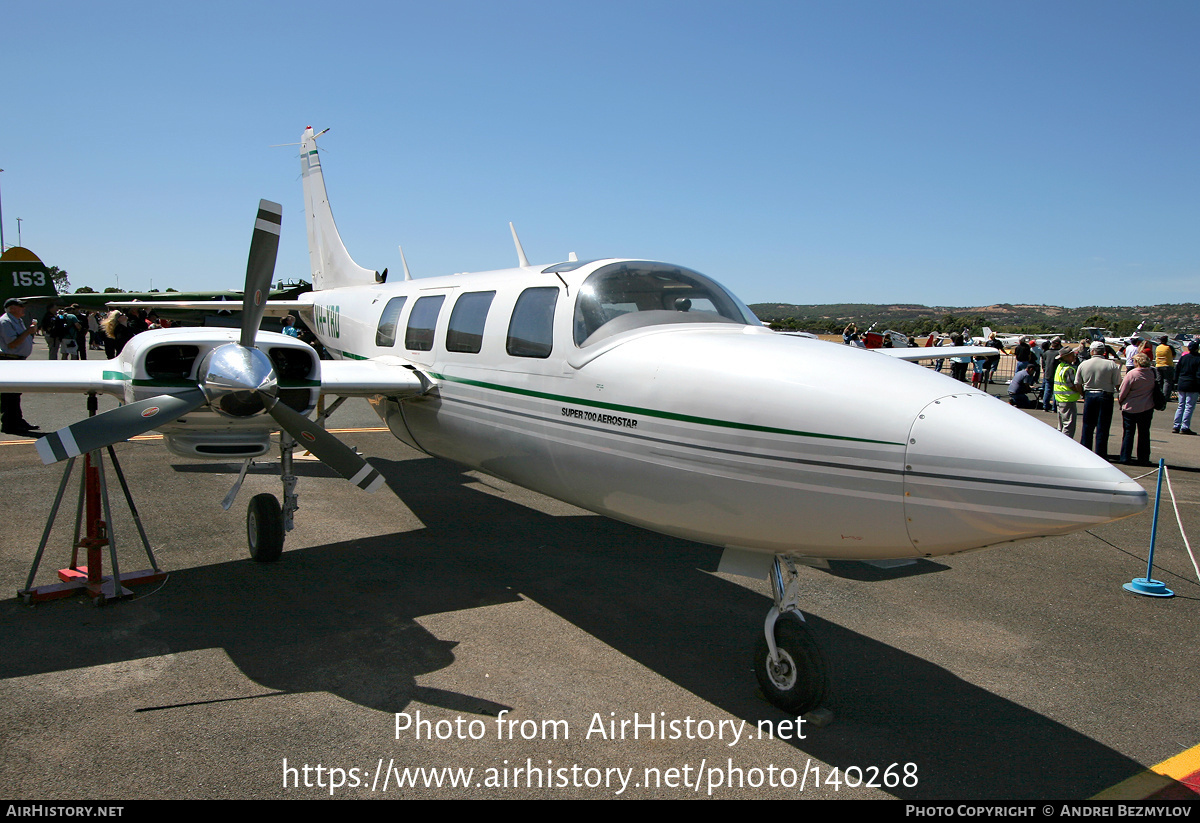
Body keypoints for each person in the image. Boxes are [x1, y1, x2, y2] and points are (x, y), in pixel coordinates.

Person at [0, 298, 44, 436]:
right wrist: (28, 332)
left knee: (16, 392)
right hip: (9, 359)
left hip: (16, 360)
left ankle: (17, 421)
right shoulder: (5, 322)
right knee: (9, 394)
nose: (23, 309)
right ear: (11, 308)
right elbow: (12, 344)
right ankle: (9, 424)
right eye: (20, 306)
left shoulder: (16, 320)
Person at [1077, 341, 1122, 459]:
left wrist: (1083, 394)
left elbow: (1078, 383)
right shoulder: (1111, 365)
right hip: (1105, 395)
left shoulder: (1084, 364)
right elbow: (1117, 384)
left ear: (1091, 351)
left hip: (1089, 394)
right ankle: (1101, 453)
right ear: (1104, 351)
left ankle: (1085, 451)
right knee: (1103, 426)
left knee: (1087, 426)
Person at [1117, 353, 1156, 465]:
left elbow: (1123, 392)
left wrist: (1121, 401)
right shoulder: (1151, 373)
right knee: (1144, 433)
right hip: (1147, 406)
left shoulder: (1132, 374)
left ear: (1137, 362)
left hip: (1131, 407)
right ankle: (1143, 458)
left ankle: (1125, 456)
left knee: (1128, 433)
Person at [1053, 347, 1082, 438]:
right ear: (1067, 356)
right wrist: (1081, 391)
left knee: (1061, 425)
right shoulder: (1069, 369)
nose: (1074, 356)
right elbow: (1073, 385)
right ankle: (1066, 444)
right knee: (1068, 425)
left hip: (1060, 398)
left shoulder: (1060, 366)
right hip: (1067, 399)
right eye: (1072, 355)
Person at [1173, 339, 1199, 435]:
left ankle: (1176, 425)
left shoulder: (1184, 358)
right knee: (1189, 406)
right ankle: (1185, 426)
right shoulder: (1198, 358)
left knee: (1181, 405)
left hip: (1182, 383)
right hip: (1192, 384)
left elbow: (1177, 370)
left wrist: (1175, 381)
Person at [1155, 336, 1175, 402]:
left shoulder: (1158, 347)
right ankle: (1165, 397)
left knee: (1159, 381)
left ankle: (1158, 396)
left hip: (1158, 365)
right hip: (1167, 365)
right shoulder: (1169, 347)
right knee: (1167, 382)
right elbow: (1173, 355)